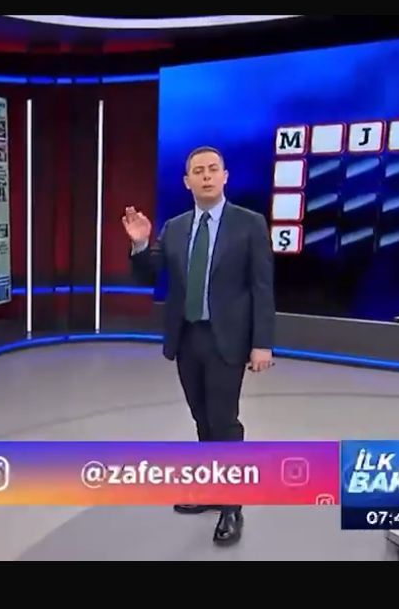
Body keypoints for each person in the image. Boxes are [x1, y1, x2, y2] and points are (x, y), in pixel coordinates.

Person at [123, 146, 276, 546]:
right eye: (198, 171)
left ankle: (232, 506)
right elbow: (149, 274)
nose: (206, 176)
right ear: (187, 181)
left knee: (224, 422)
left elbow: (262, 288)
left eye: (213, 169)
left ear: (225, 176)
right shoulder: (175, 227)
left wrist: (262, 343)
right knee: (202, 420)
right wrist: (140, 244)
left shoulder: (249, 223)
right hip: (187, 338)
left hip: (228, 339)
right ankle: (211, 489)